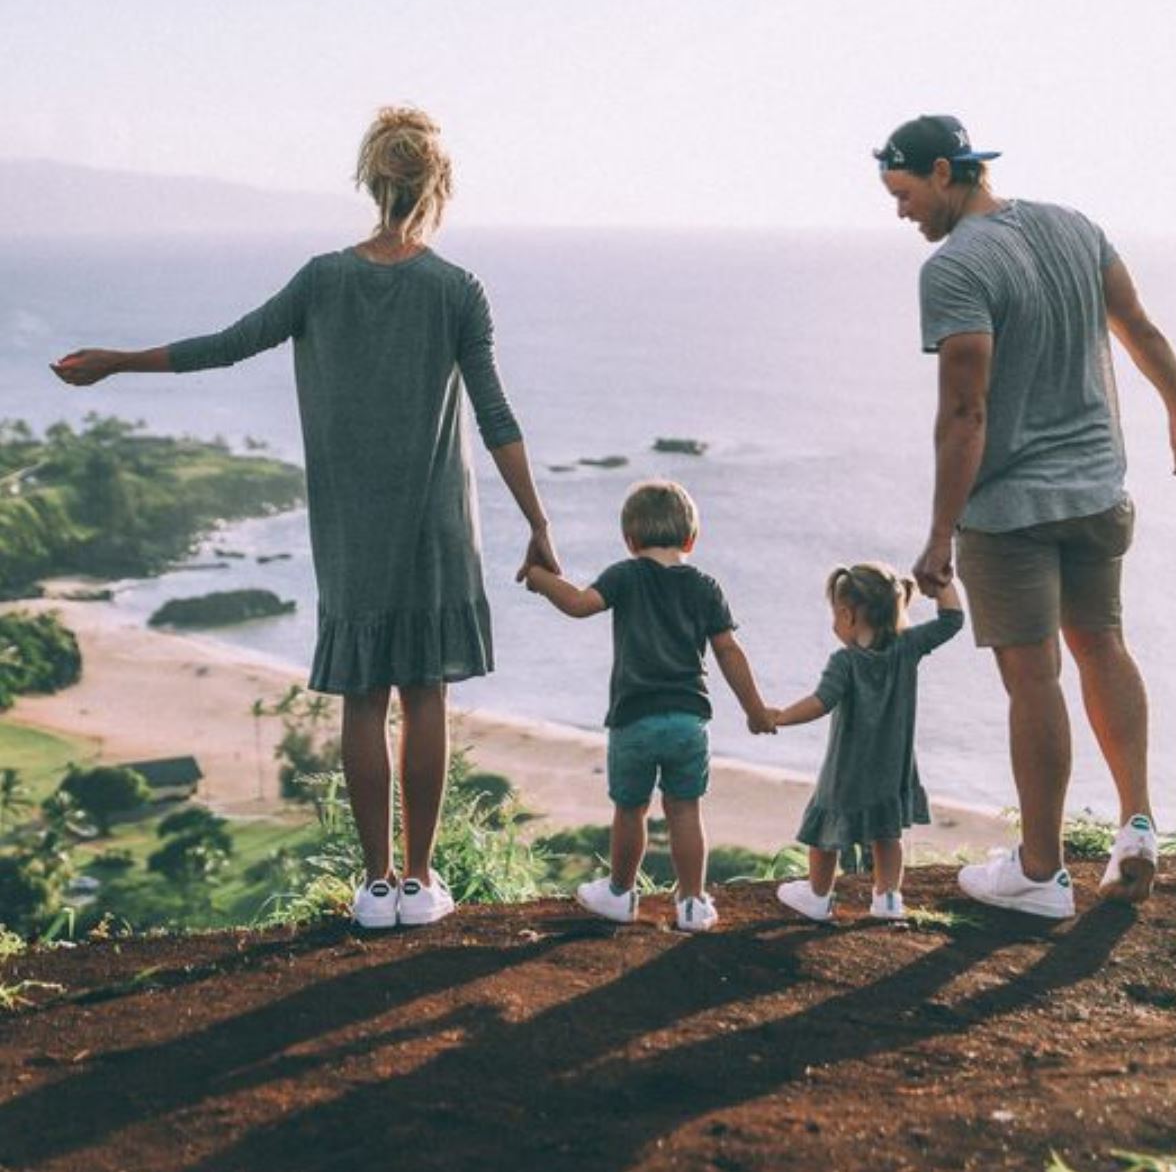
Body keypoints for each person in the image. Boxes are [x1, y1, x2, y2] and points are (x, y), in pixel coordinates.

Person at [52, 105, 557, 932]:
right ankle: (423, 884)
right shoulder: (457, 290)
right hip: (434, 525)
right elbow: (496, 415)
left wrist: (116, 362)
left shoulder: (322, 279)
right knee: (424, 690)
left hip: (350, 525)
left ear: (371, 180)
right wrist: (537, 523)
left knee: (364, 694)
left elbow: (225, 343)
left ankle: (377, 886)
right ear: (438, 188)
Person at [875, 113, 1176, 918]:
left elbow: (966, 410)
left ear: (944, 174)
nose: (901, 212)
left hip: (1012, 510)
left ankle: (1039, 870)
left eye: (904, 192)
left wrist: (936, 537)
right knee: (1103, 647)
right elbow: (1138, 326)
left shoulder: (957, 267)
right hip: (1099, 491)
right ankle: (1137, 828)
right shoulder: (1075, 227)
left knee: (1034, 677)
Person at [525, 478, 773, 932]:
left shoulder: (625, 575)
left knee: (630, 810)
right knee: (685, 810)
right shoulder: (705, 586)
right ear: (691, 539)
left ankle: (620, 894)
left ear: (630, 539)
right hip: (688, 721)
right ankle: (694, 903)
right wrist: (755, 709)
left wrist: (541, 579)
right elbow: (729, 652)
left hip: (633, 720)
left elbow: (580, 604)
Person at [770, 564, 963, 923]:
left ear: (847, 614)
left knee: (824, 833)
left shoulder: (845, 661)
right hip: (893, 767)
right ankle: (888, 898)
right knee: (886, 833)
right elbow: (953, 620)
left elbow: (819, 702)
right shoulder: (908, 647)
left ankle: (817, 895)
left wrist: (779, 717)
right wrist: (943, 582)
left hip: (846, 769)